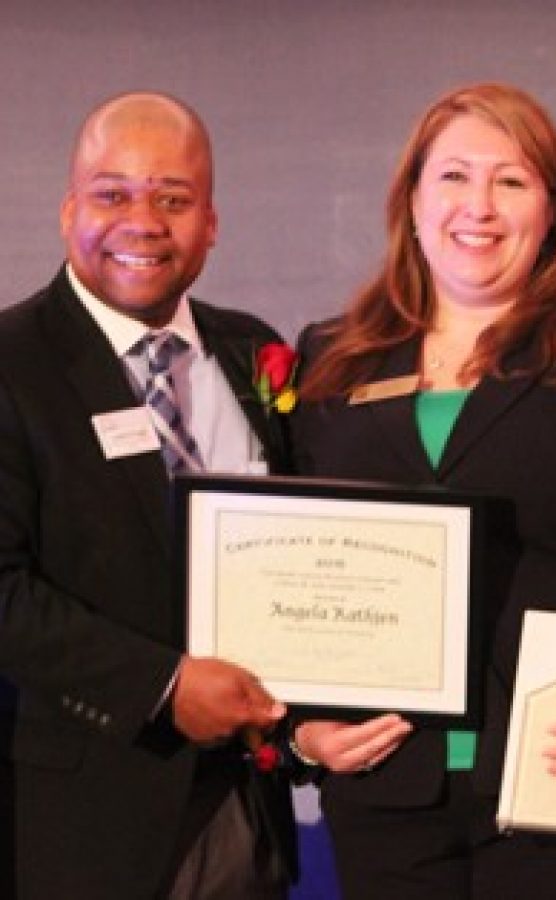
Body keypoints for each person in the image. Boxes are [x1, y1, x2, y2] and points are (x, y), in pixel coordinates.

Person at [288, 82, 556, 900]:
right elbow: (291, 574)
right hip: (388, 796)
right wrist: (303, 731)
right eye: (452, 177)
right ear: (412, 201)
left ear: (552, 209)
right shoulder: (330, 361)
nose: (478, 207)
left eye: (511, 181)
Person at [0, 92, 299, 899]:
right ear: (69, 212)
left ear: (211, 222)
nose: (145, 221)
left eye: (174, 198)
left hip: (249, 812)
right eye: (113, 194)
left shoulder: (254, 351)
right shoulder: (11, 362)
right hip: (79, 824)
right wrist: (165, 687)